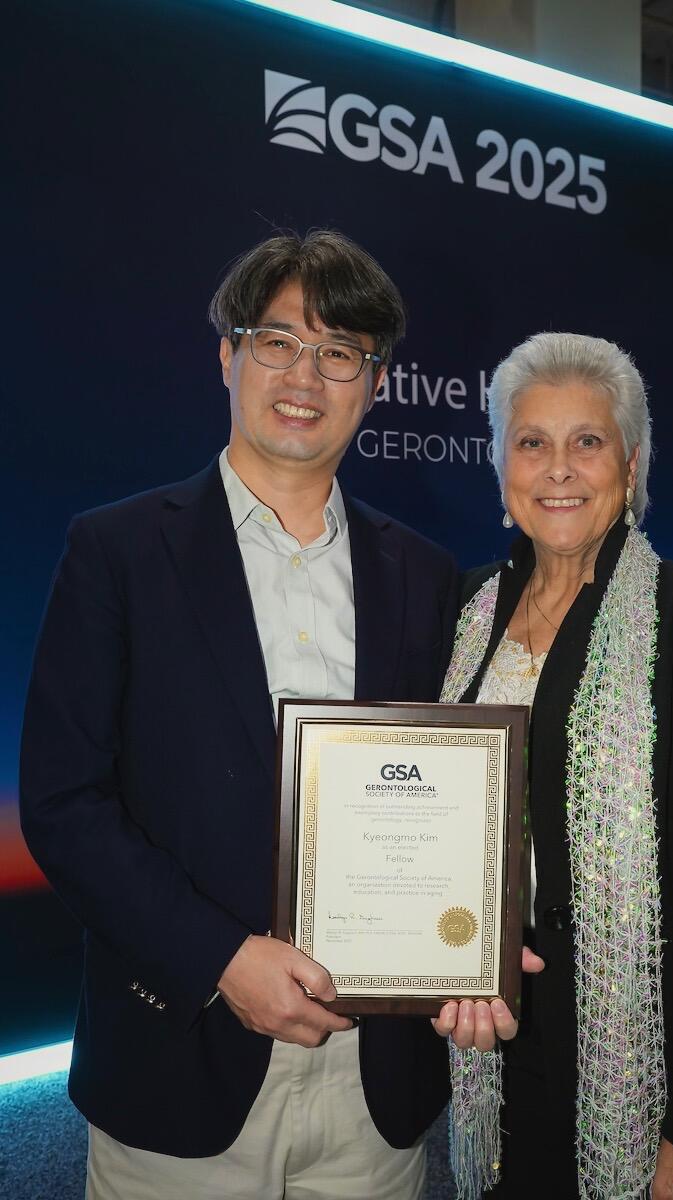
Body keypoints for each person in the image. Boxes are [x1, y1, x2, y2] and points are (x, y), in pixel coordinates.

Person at [20, 230, 459, 1199]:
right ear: (226, 356)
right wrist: (218, 959)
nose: (305, 374)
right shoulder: (119, 554)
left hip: (371, 1079)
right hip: (180, 1055)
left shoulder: (423, 578)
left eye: (339, 351)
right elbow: (63, 803)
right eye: (276, 341)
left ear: (373, 385)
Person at [434, 332, 673, 1200]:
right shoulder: (459, 611)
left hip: (656, 1070)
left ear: (629, 467)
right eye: (532, 442)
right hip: (493, 1038)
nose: (559, 468)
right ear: (501, 466)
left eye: (587, 441)